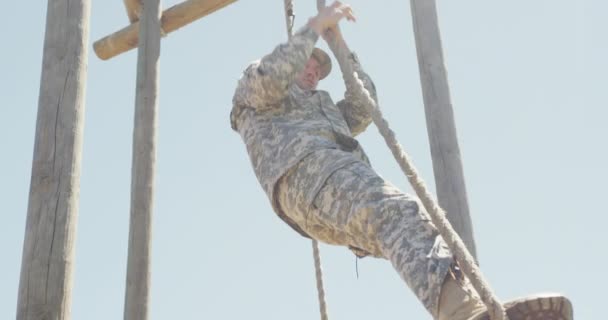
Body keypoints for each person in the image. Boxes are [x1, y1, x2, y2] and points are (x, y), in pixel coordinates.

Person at [230, 2, 573, 319]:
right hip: (307, 175)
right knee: (399, 210)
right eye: (309, 62)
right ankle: (462, 314)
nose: (314, 73)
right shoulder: (260, 90)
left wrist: (342, 48)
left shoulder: (325, 110)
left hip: (322, 195)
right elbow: (270, 79)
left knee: (415, 226)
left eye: (320, 70)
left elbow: (364, 105)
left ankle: (469, 305)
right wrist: (314, 28)